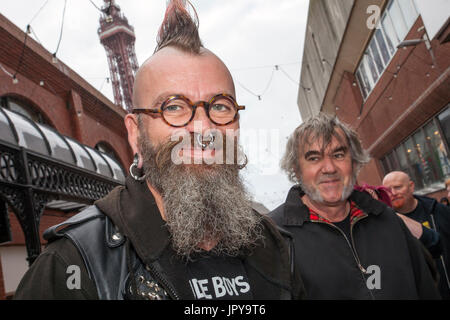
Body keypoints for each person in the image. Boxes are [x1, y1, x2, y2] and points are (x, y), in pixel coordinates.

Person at [14, 0, 304, 300]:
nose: (204, 130)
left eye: (220, 106)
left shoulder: (277, 248)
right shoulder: (72, 265)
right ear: (135, 133)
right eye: (174, 107)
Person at [269, 113, 440, 299]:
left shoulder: (388, 220)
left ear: (354, 162)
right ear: (296, 169)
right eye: (314, 158)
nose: (329, 168)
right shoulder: (274, 237)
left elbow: (426, 288)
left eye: (338, 154)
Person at [382, 171, 450, 299]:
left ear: (411, 186)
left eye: (398, 187)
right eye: (388, 190)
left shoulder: (438, 211)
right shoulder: (385, 224)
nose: (393, 193)